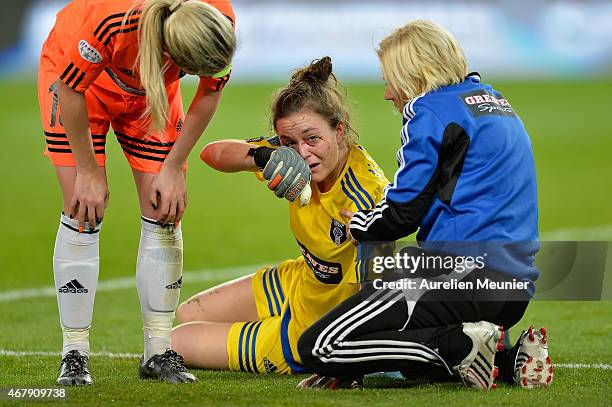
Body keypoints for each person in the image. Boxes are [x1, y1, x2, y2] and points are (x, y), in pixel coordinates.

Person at [297, 20, 553, 390]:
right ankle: (507, 360)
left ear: (414, 73)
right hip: (513, 288)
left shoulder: (428, 109)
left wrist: (360, 225)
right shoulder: (495, 102)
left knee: (318, 346)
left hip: (456, 274)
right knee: (410, 355)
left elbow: (403, 212)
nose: (387, 93)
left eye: (390, 78)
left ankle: (459, 346)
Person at [38, 0, 236, 385]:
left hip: (150, 92)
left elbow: (210, 93)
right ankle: (74, 352)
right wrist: (87, 171)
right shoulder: (113, 22)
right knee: (83, 209)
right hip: (79, 84)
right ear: (173, 55)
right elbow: (69, 87)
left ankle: (158, 351)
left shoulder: (219, 21)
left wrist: (175, 166)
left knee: (165, 208)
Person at [171, 57, 387, 382]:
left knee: (171, 342)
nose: (303, 153)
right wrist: (266, 156)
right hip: (299, 281)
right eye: (291, 143)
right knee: (186, 312)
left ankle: (275, 343)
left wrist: (343, 361)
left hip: (306, 331)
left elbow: (377, 291)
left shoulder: (365, 193)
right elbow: (211, 153)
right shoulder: (290, 156)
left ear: (339, 130)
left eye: (312, 139)